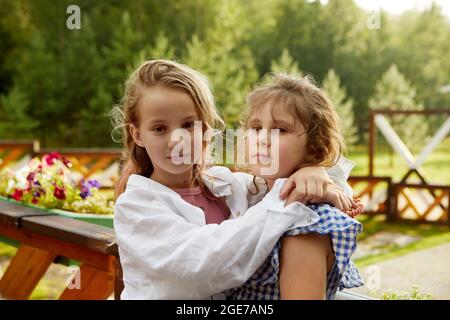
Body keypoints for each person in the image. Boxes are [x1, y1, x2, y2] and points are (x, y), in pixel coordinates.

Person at [112, 59, 361, 299]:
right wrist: (292, 188)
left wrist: (314, 171)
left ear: (207, 129)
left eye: (189, 125)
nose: (177, 140)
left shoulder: (227, 187)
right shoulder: (136, 206)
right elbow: (202, 263)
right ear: (137, 134)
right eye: (159, 128)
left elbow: (319, 188)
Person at [224, 73, 364, 300]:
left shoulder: (304, 224)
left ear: (314, 147)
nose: (263, 139)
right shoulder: (255, 197)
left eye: (280, 130)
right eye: (256, 128)